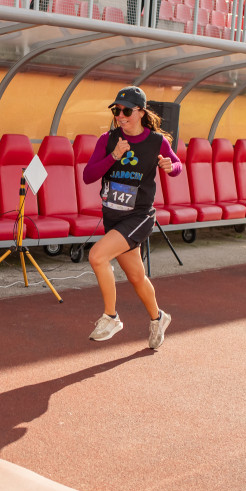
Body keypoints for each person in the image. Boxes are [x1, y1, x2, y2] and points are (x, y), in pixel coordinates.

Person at [83, 86, 183, 349]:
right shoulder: (108, 139)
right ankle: (158, 317)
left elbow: (177, 165)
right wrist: (113, 156)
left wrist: (170, 166)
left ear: (140, 112)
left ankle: (111, 317)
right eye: (117, 110)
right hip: (113, 216)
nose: (121, 116)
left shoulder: (157, 142)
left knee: (97, 256)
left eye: (126, 111)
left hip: (139, 216)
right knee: (137, 277)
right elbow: (88, 175)